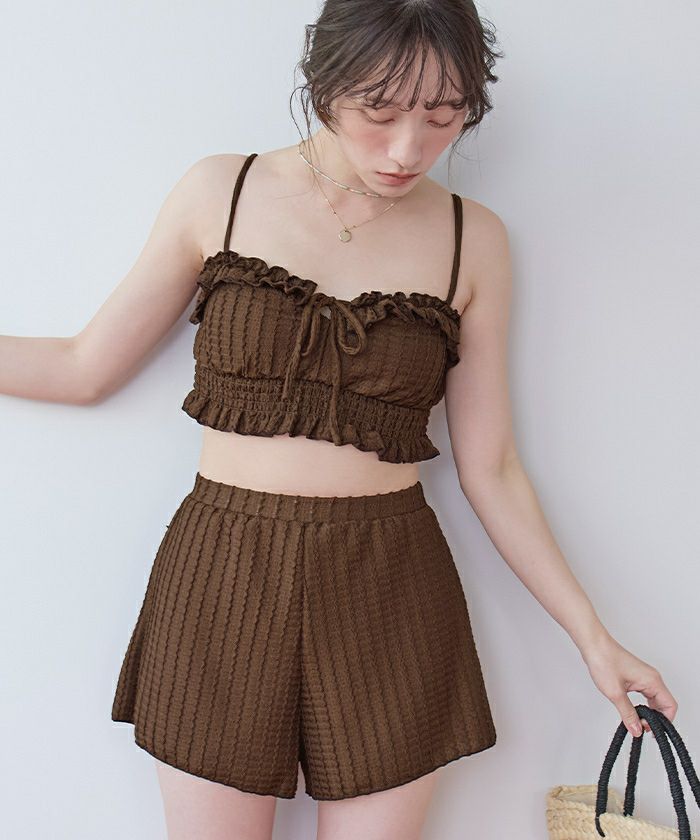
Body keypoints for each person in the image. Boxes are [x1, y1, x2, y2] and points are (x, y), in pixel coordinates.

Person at [3, 2, 678, 839]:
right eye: (378, 111)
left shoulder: (473, 239)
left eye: (443, 117)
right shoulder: (221, 191)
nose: (407, 150)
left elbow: (491, 467)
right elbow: (83, 367)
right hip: (224, 569)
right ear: (322, 84)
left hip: (388, 583)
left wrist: (593, 640)